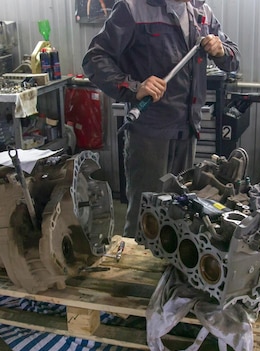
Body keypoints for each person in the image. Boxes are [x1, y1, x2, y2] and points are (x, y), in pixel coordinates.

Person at [82, 0, 240, 237]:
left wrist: (221, 50)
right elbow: (94, 59)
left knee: (179, 212)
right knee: (145, 217)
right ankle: (135, 271)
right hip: (149, 134)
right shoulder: (133, 8)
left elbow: (233, 58)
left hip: (187, 130)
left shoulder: (201, 12)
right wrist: (134, 86)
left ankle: (167, 269)